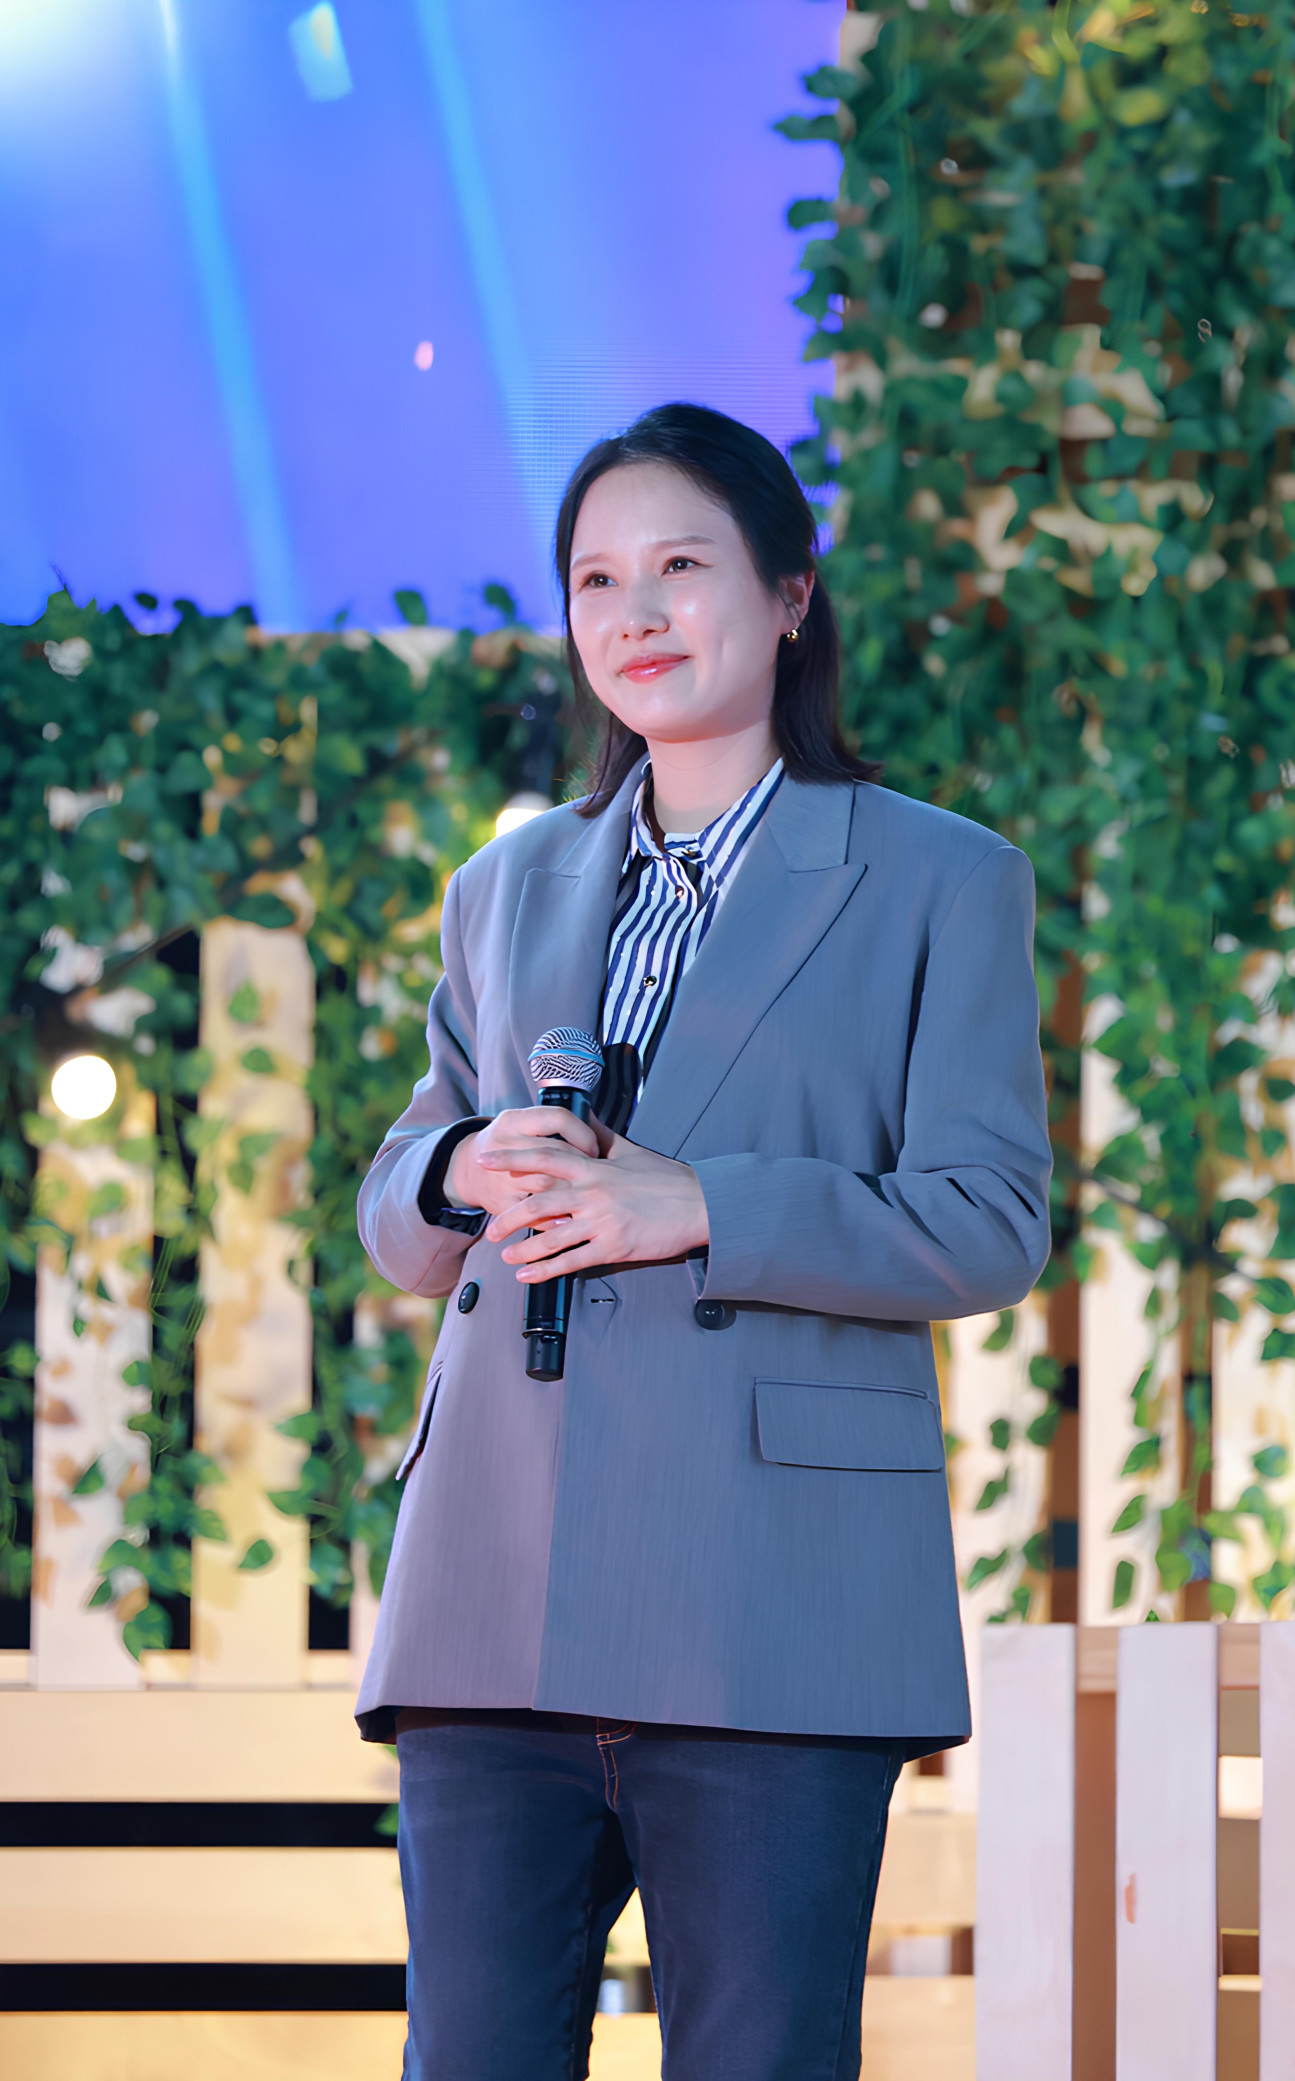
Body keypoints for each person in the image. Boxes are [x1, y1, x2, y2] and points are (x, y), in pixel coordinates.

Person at [355, 402, 1051, 2081]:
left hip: (771, 1606)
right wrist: (459, 1167)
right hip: (493, 1593)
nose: (636, 613)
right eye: (597, 579)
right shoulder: (507, 884)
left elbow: (991, 1221)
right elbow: (399, 1208)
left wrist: (703, 1203)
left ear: (791, 592)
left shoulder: (941, 879)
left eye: (681, 565)